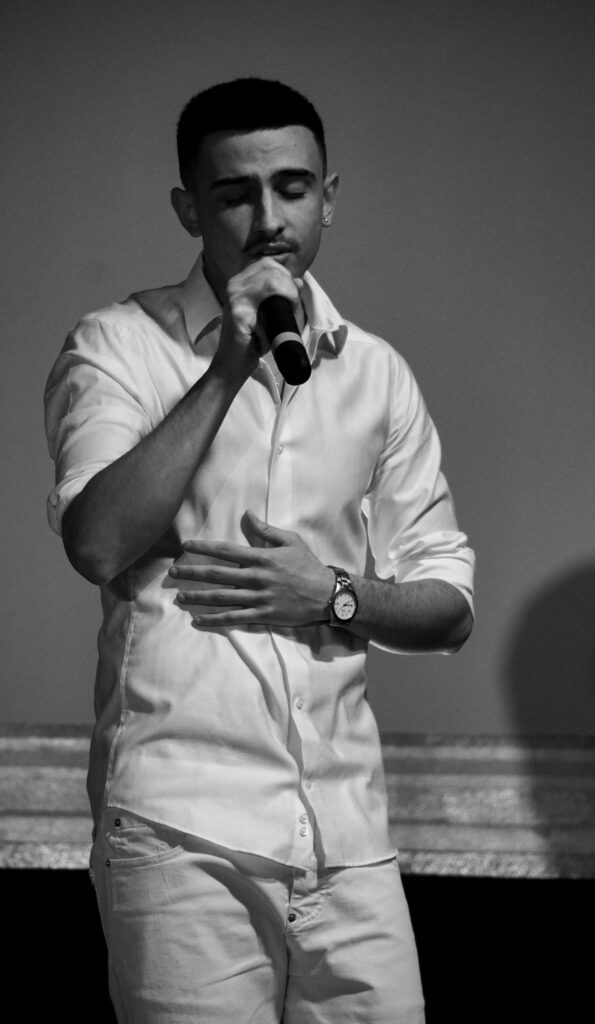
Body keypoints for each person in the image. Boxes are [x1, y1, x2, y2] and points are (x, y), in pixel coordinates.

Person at [45, 78, 475, 1024]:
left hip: (347, 838)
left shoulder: (376, 374)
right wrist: (226, 367)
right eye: (236, 193)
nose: (270, 218)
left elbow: (448, 607)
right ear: (188, 208)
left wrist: (333, 595)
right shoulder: (117, 346)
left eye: (293, 187)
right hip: (181, 825)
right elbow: (99, 540)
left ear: (329, 197)